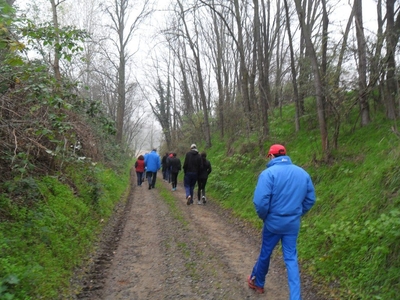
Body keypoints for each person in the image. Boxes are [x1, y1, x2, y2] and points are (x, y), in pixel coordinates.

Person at [248, 144, 316, 299]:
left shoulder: (268, 174)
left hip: (273, 223)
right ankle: (295, 297)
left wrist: (265, 216)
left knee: (266, 253)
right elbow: (310, 199)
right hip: (292, 224)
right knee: (291, 258)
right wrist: (297, 213)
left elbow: (260, 202)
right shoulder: (303, 173)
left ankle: (259, 284)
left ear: (271, 156)